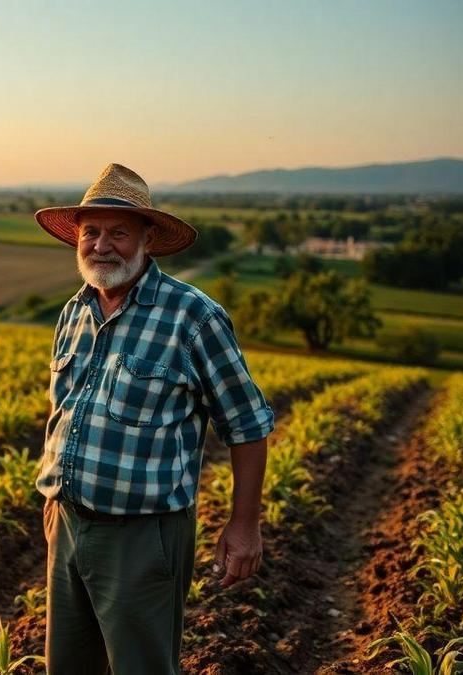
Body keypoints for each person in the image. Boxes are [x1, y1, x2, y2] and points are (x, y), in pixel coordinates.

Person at [32, 163, 275, 674]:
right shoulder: (73, 312)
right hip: (68, 525)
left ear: (147, 239)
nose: (101, 245)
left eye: (118, 232)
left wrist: (244, 525)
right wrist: (54, 500)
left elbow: (247, 424)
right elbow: (64, 412)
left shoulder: (192, 315)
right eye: (90, 231)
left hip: (144, 537)